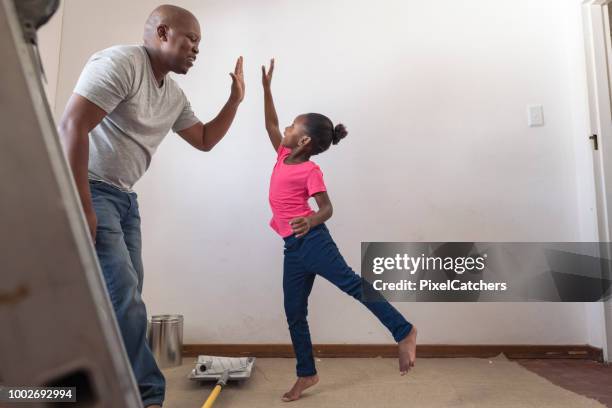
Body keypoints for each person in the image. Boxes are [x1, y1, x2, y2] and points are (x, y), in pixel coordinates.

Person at [58, 5, 245, 407]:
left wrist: (235, 100)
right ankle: (148, 397)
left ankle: (102, 382)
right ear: (162, 32)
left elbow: (205, 139)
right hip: (90, 188)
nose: (197, 49)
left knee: (126, 297)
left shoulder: (174, 95)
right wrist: (83, 207)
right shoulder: (122, 63)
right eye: (191, 39)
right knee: (123, 293)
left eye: (200, 43)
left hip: (125, 199)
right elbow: (72, 125)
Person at [261, 59, 417, 402]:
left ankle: (403, 331)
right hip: (293, 248)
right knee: (293, 312)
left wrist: (311, 220)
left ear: (303, 140)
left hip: (313, 242)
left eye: (291, 127)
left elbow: (327, 209)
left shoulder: (310, 171)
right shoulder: (282, 154)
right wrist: (266, 89)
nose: (283, 128)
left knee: (352, 284)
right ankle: (307, 373)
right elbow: (271, 122)